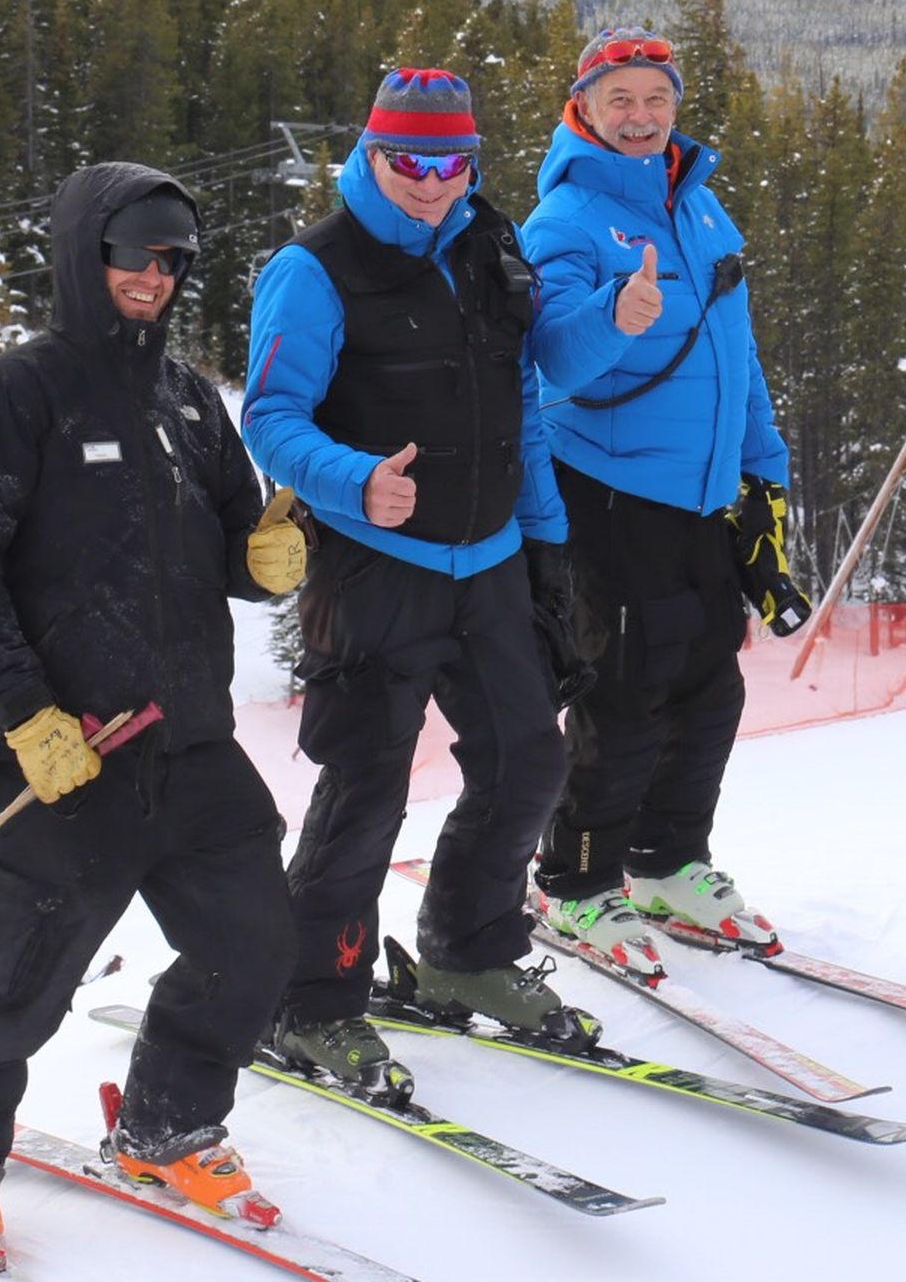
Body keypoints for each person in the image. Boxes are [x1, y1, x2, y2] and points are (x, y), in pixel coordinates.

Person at [0, 163, 305, 1269]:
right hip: (66, 758)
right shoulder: (17, 395)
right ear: (87, 254)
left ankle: (167, 1123)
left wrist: (265, 562)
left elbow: (234, 542)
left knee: (254, 940)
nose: (154, 276)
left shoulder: (184, 400)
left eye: (175, 259)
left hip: (188, 742)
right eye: (135, 252)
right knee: (20, 983)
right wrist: (28, 715)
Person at [241, 69, 588, 1099]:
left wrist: (546, 543)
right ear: (372, 154)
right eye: (409, 162)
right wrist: (355, 483)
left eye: (453, 163)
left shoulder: (489, 244)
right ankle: (310, 1002)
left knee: (528, 761)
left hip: (485, 564)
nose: (432, 183)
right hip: (375, 569)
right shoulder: (311, 270)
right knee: (366, 796)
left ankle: (465, 950)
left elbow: (520, 399)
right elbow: (270, 418)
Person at [522, 27, 811, 975]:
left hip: (702, 494)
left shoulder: (702, 210)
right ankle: (574, 881)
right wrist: (614, 315)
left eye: (655, 98)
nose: (640, 117)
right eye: (621, 100)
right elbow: (553, 357)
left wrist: (763, 474)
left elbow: (739, 358)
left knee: (709, 685)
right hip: (608, 490)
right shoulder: (565, 219)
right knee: (625, 691)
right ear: (587, 109)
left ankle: (667, 861)